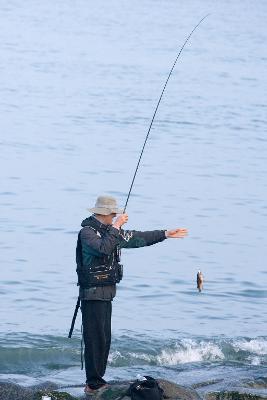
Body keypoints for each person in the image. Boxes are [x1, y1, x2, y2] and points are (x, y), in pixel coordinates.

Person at [76, 195, 188, 395]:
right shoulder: (87, 233)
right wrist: (117, 226)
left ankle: (97, 381)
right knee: (94, 339)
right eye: (113, 215)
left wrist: (165, 234)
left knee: (104, 339)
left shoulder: (109, 231)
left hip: (106, 293)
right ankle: (93, 384)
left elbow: (137, 238)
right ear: (105, 214)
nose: (115, 217)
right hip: (92, 294)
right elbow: (103, 249)